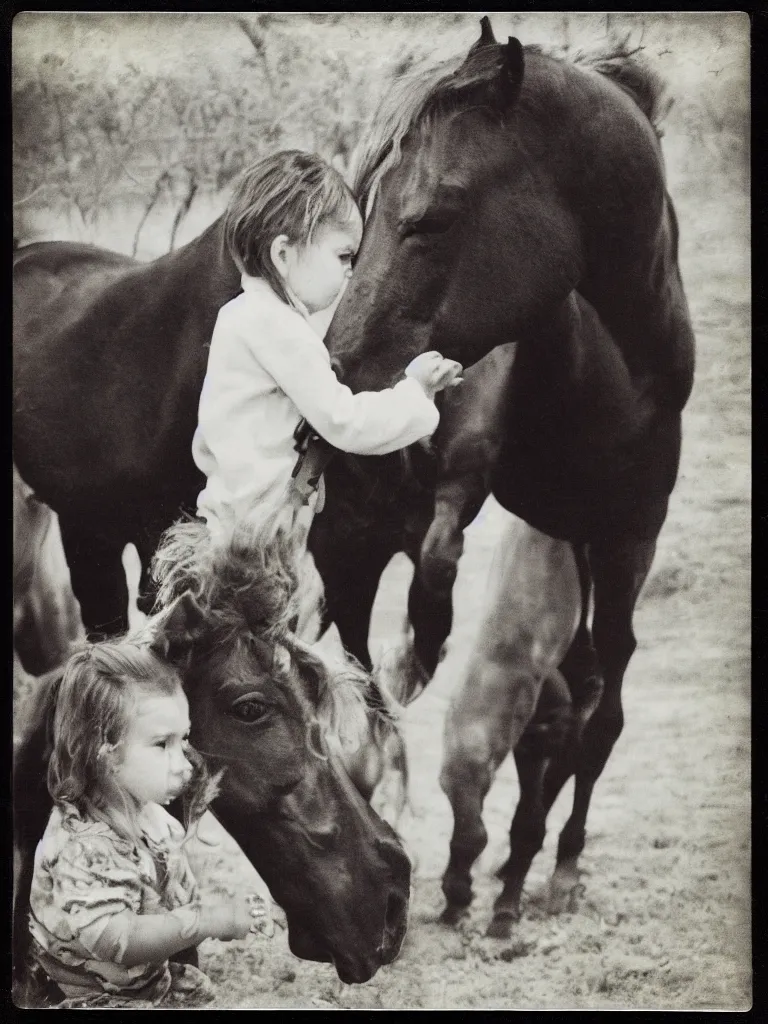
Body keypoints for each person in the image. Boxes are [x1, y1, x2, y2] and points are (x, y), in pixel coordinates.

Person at [192, 149, 463, 550]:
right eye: (343, 256)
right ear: (283, 255)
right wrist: (415, 392)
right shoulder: (275, 327)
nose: (351, 272)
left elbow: (209, 439)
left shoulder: (245, 317)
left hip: (241, 525)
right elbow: (344, 421)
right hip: (256, 541)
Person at [25, 642, 268, 1009]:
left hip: (143, 983)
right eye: (161, 744)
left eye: (183, 739)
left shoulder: (150, 815)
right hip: (94, 995)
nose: (184, 763)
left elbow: (173, 893)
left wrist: (231, 911)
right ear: (104, 752)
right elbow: (117, 941)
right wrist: (202, 921)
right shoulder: (85, 847)